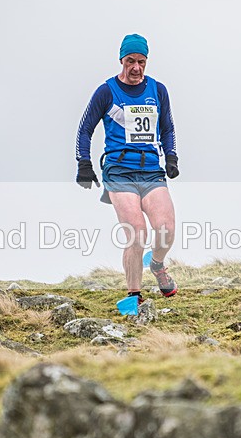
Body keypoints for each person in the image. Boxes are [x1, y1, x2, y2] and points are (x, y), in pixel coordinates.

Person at [75, 33, 179, 304]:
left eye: (141, 62)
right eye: (130, 61)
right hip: (119, 172)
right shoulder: (107, 91)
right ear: (121, 60)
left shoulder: (157, 90)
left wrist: (171, 157)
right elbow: (85, 128)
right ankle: (134, 297)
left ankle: (157, 265)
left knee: (166, 228)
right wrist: (83, 163)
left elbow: (167, 127)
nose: (136, 68)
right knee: (136, 232)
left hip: (150, 171)